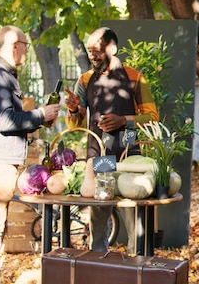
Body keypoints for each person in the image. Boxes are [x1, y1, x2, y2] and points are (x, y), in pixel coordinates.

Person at [0, 26, 60, 283]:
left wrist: (38, 120)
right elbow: (4, 119)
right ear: (14, 45)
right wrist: (40, 115)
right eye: (25, 44)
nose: (26, 50)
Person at [64, 27, 158, 254]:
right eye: (89, 51)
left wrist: (123, 121)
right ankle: (98, 259)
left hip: (129, 154)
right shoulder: (85, 80)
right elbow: (75, 124)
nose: (92, 56)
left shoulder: (135, 77)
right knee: (99, 213)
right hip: (99, 153)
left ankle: (137, 263)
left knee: (131, 212)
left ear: (112, 48)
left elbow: (153, 117)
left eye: (96, 50)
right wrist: (74, 109)